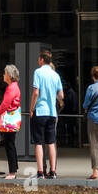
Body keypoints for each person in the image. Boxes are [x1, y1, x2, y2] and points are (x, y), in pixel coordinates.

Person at [30, 47, 63, 179]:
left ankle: (40, 172)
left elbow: (36, 92)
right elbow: (61, 95)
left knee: (38, 142)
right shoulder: (56, 75)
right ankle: (53, 171)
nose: (38, 61)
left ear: (42, 59)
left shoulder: (38, 72)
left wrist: (31, 108)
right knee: (51, 142)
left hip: (40, 110)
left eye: (39, 58)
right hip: (52, 112)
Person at [0, 65, 22, 180]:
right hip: (13, 120)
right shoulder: (14, 86)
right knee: (11, 144)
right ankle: (14, 169)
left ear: (10, 76)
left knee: (9, 145)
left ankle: (12, 172)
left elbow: (5, 104)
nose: (3, 75)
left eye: (5, 73)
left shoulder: (11, 87)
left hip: (8, 120)